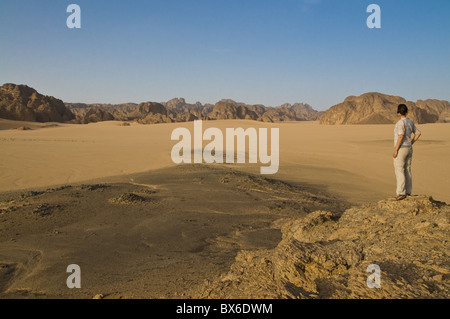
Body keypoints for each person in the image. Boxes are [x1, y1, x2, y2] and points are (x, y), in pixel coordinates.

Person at [393, 104, 421, 201]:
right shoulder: (410, 122)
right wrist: (411, 142)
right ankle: (408, 191)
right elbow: (418, 133)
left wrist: (396, 149)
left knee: (399, 169)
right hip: (409, 148)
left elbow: (400, 136)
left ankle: (401, 193)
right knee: (407, 169)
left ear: (399, 112)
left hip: (402, 148)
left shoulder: (400, 123)